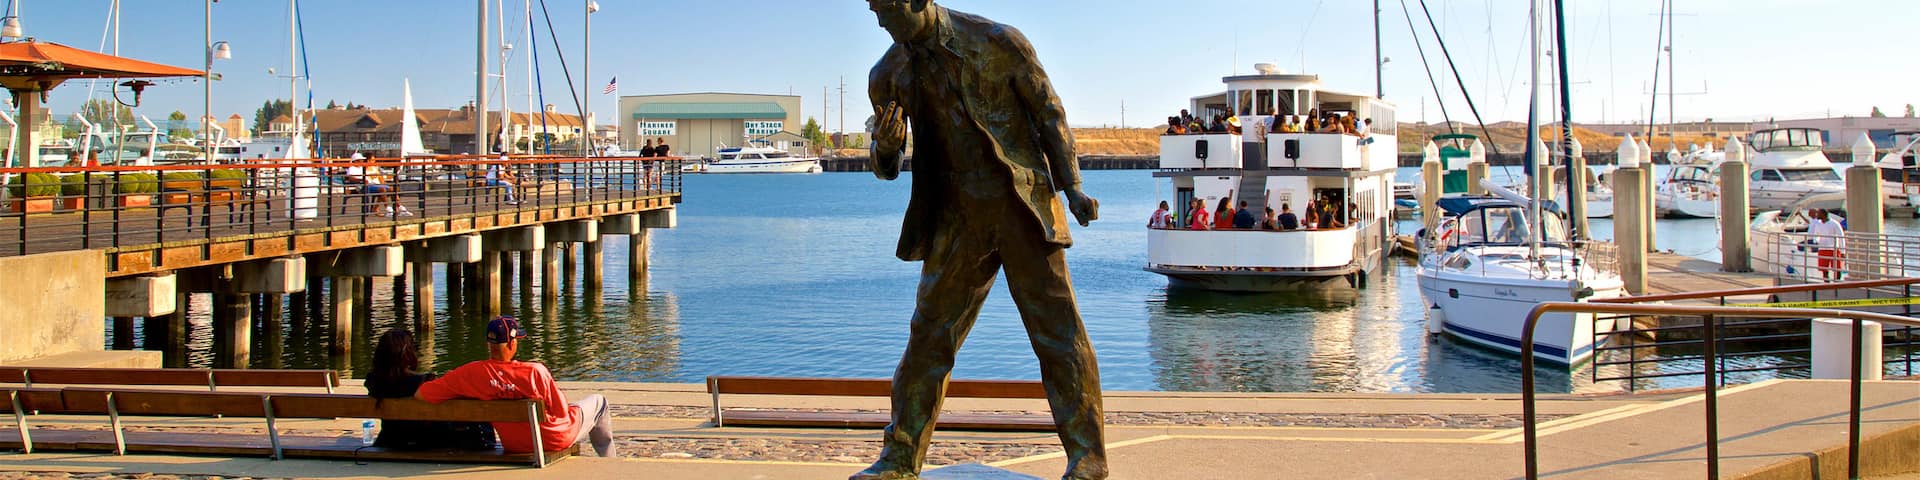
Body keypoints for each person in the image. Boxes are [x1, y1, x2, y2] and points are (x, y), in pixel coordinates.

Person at [862, 1, 1107, 477]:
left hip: (1023, 206)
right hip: (955, 218)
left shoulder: (998, 41)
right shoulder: (888, 73)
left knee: (1059, 335)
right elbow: (885, 166)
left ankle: (1088, 456)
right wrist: (886, 150)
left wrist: (1072, 187)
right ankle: (899, 457)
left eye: (887, 9)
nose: (881, 21)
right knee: (928, 339)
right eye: (874, 11)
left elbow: (1049, 114)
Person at [415, 317, 616, 457]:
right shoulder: (535, 372)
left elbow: (423, 394)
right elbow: (561, 412)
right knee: (600, 403)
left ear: (489, 345)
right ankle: (610, 463)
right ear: (512, 344)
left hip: (515, 444)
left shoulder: (471, 373)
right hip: (555, 438)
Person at [366, 328, 496, 451]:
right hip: (427, 441)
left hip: (393, 440)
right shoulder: (422, 381)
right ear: (408, 353)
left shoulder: (373, 382)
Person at [1808, 208, 1845, 281]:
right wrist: (1816, 240)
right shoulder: (1818, 224)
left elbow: (1841, 236)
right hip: (1822, 249)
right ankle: (1826, 282)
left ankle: (1837, 282)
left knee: (1837, 268)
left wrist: (1843, 251)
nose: (1817, 215)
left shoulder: (1834, 223)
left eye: (1818, 213)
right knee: (1824, 269)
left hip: (1833, 249)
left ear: (1823, 214)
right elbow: (1816, 235)